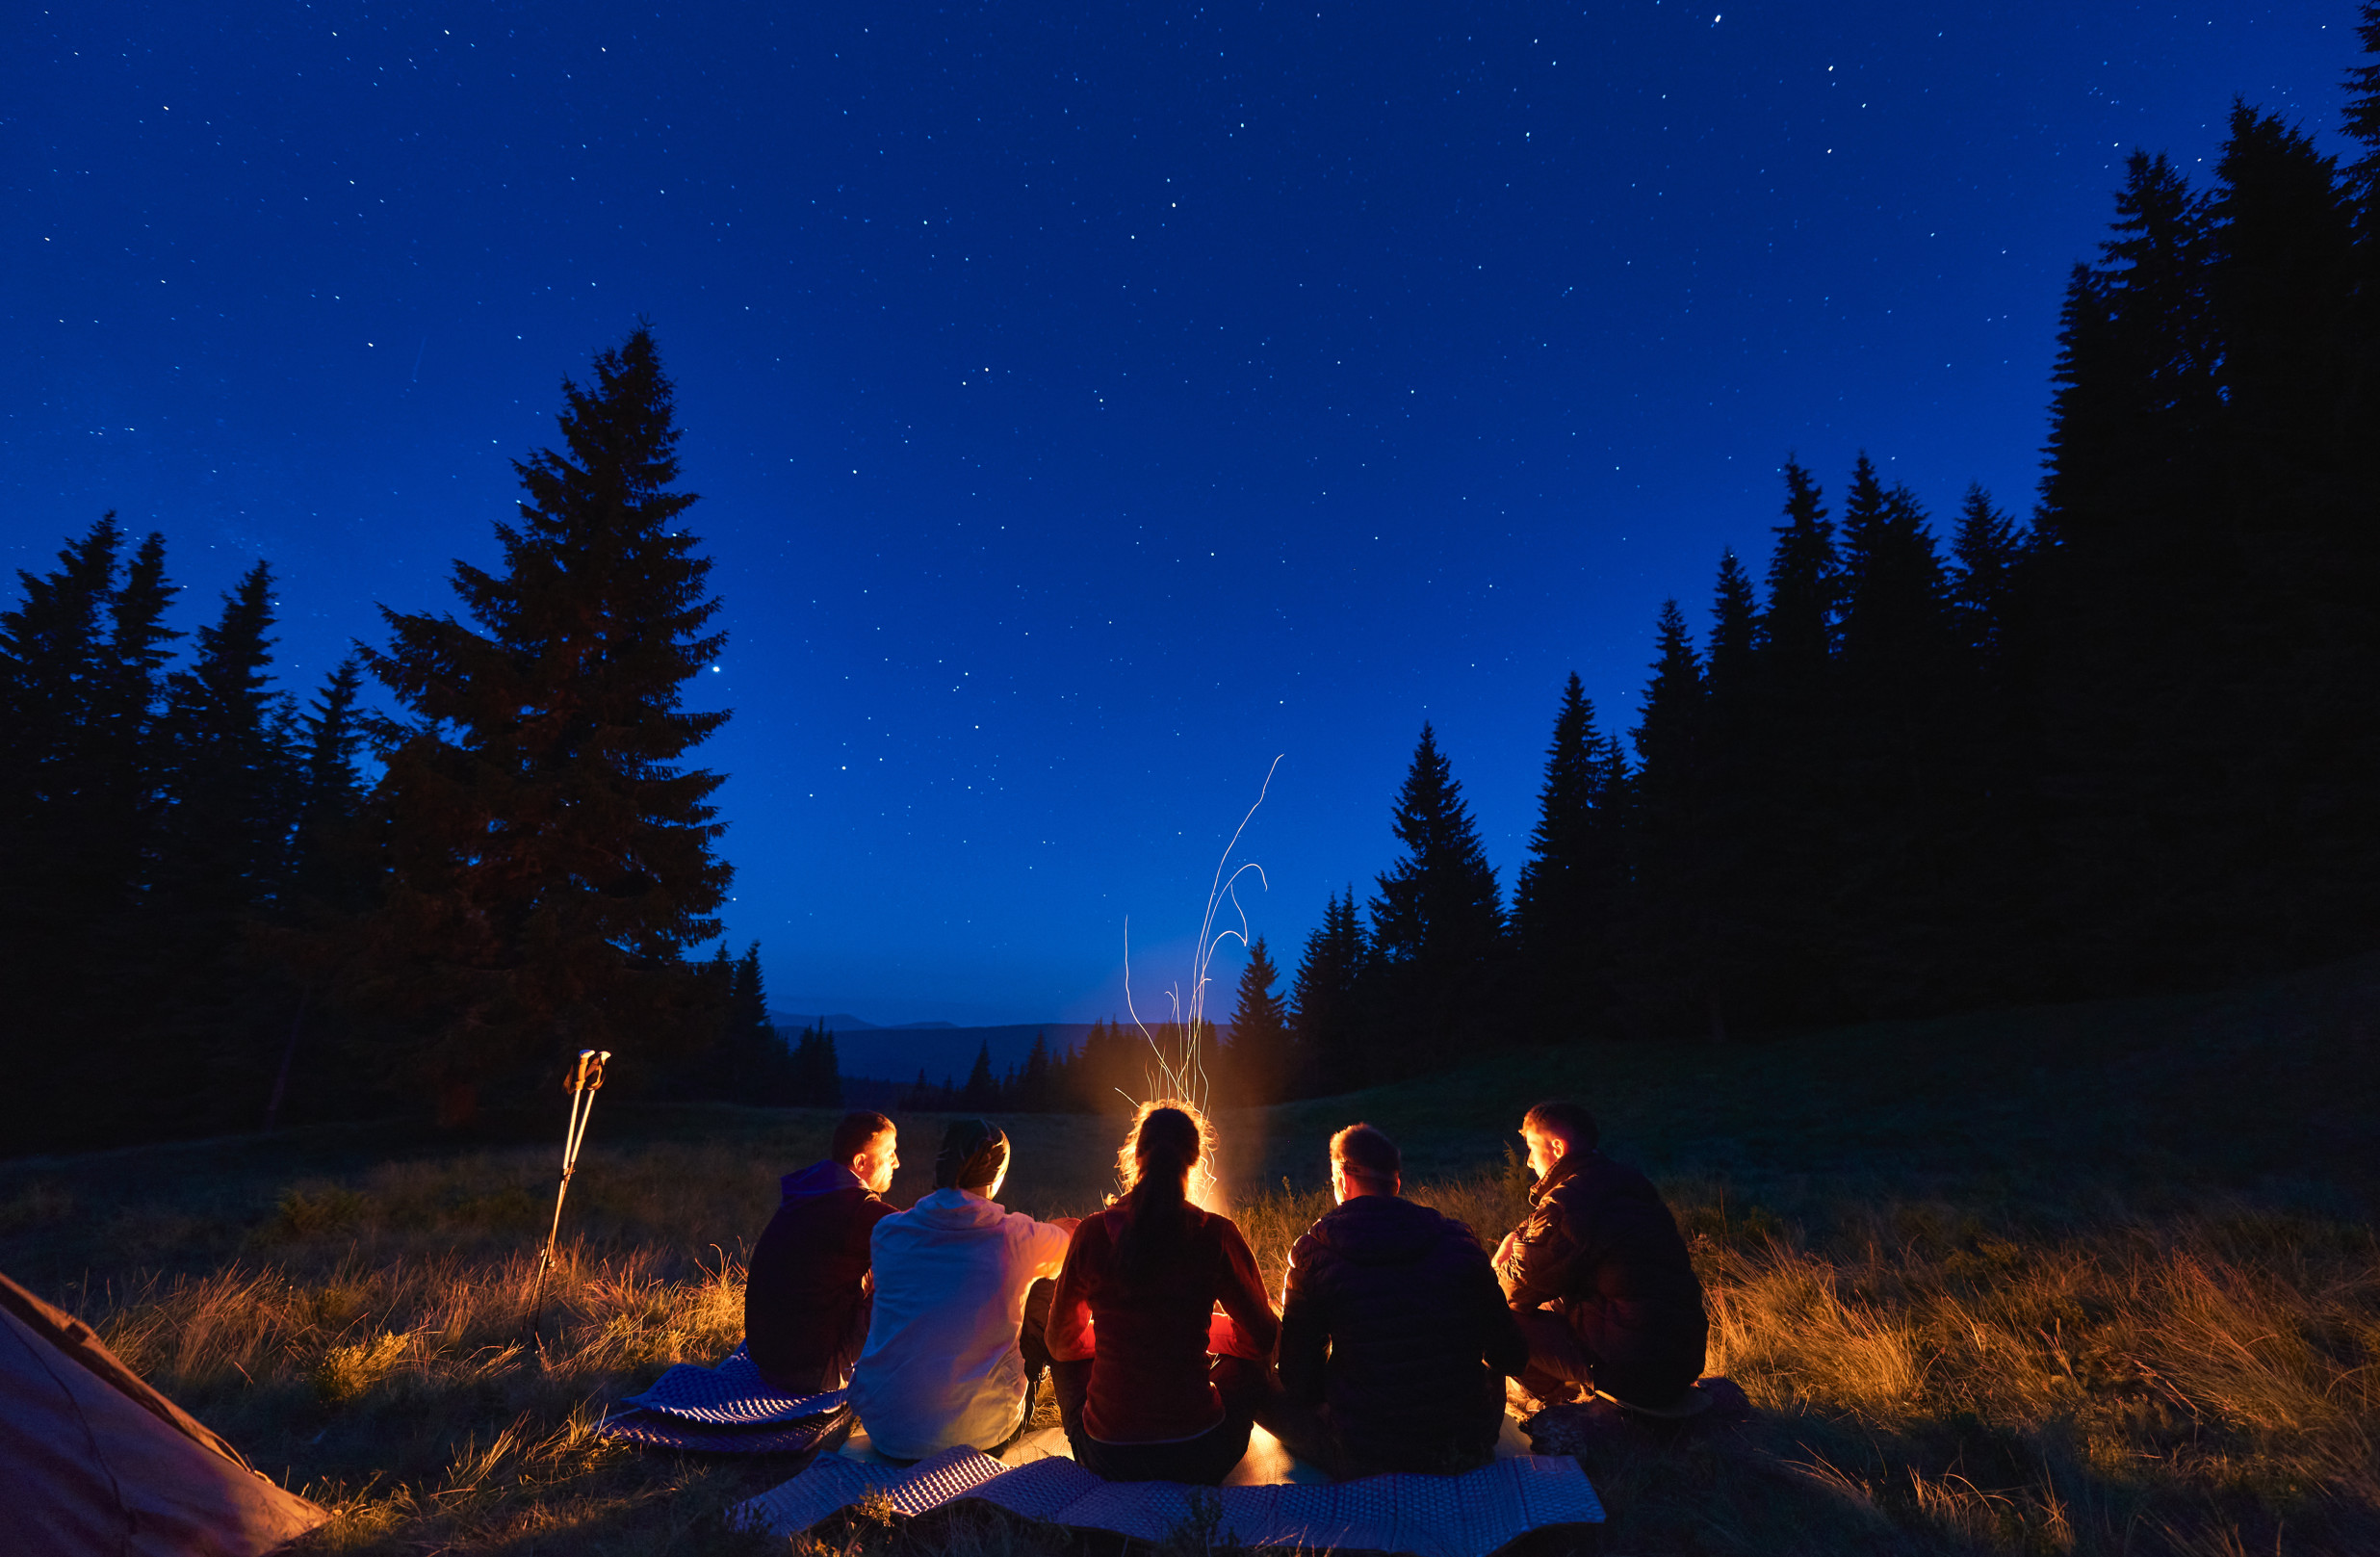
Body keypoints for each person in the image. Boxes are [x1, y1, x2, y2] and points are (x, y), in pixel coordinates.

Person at [1260, 1124, 1529, 1477]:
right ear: (1396, 1184)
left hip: (1367, 1451)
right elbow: (1509, 1354)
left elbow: (1299, 1379)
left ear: (1342, 1177)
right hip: (1465, 1441)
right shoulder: (1458, 1239)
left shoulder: (1313, 1252)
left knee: (1251, 1383)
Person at [1046, 1102, 1280, 1485]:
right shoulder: (1215, 1234)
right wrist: (1207, 1335)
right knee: (1252, 1359)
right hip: (1201, 1456)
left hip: (1108, 1457)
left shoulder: (1092, 1234)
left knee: (1060, 1347)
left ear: (1135, 1156)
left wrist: (1113, 1340)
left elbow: (1061, 1345)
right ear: (1196, 1161)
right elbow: (1263, 1337)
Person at [848, 1118, 1074, 1462]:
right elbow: (1075, 1243)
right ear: (996, 1176)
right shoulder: (1017, 1238)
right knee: (1045, 1287)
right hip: (982, 1434)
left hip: (885, 1429)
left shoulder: (888, 1232)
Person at [1494, 1100, 1708, 1412]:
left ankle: (1563, 1408)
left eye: (1531, 1147)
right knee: (1555, 1302)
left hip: (1631, 1370)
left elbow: (1515, 1291)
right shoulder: (1627, 1183)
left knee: (1489, 1315)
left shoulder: (1569, 1201)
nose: (1527, 1161)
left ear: (1556, 1146)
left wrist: (1500, 1265)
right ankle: (1582, 1395)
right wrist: (1517, 1236)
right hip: (1681, 1360)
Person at [744, 1110, 899, 1394]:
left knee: (882, 1264)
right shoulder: (857, 1210)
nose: (897, 1163)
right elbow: (925, 1241)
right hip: (815, 1373)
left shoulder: (810, 1192)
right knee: (907, 1275)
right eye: (890, 1153)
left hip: (768, 1361)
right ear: (861, 1162)